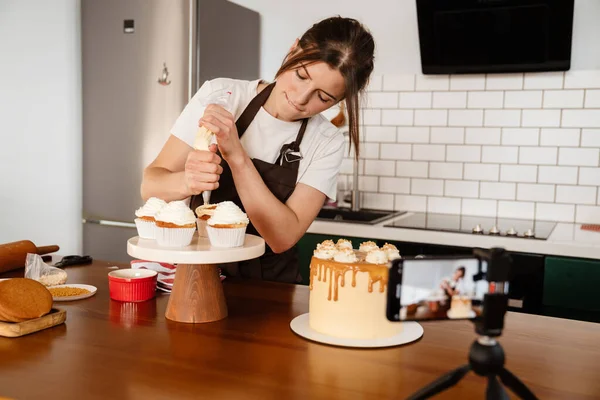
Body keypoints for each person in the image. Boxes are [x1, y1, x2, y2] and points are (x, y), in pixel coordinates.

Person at [140, 16, 375, 283]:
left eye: (323, 97)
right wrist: (186, 180)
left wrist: (236, 156)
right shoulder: (222, 95)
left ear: (341, 99)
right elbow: (150, 185)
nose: (300, 99)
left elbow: (281, 238)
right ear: (293, 49)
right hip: (198, 276)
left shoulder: (326, 141)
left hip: (268, 289)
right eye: (300, 75)